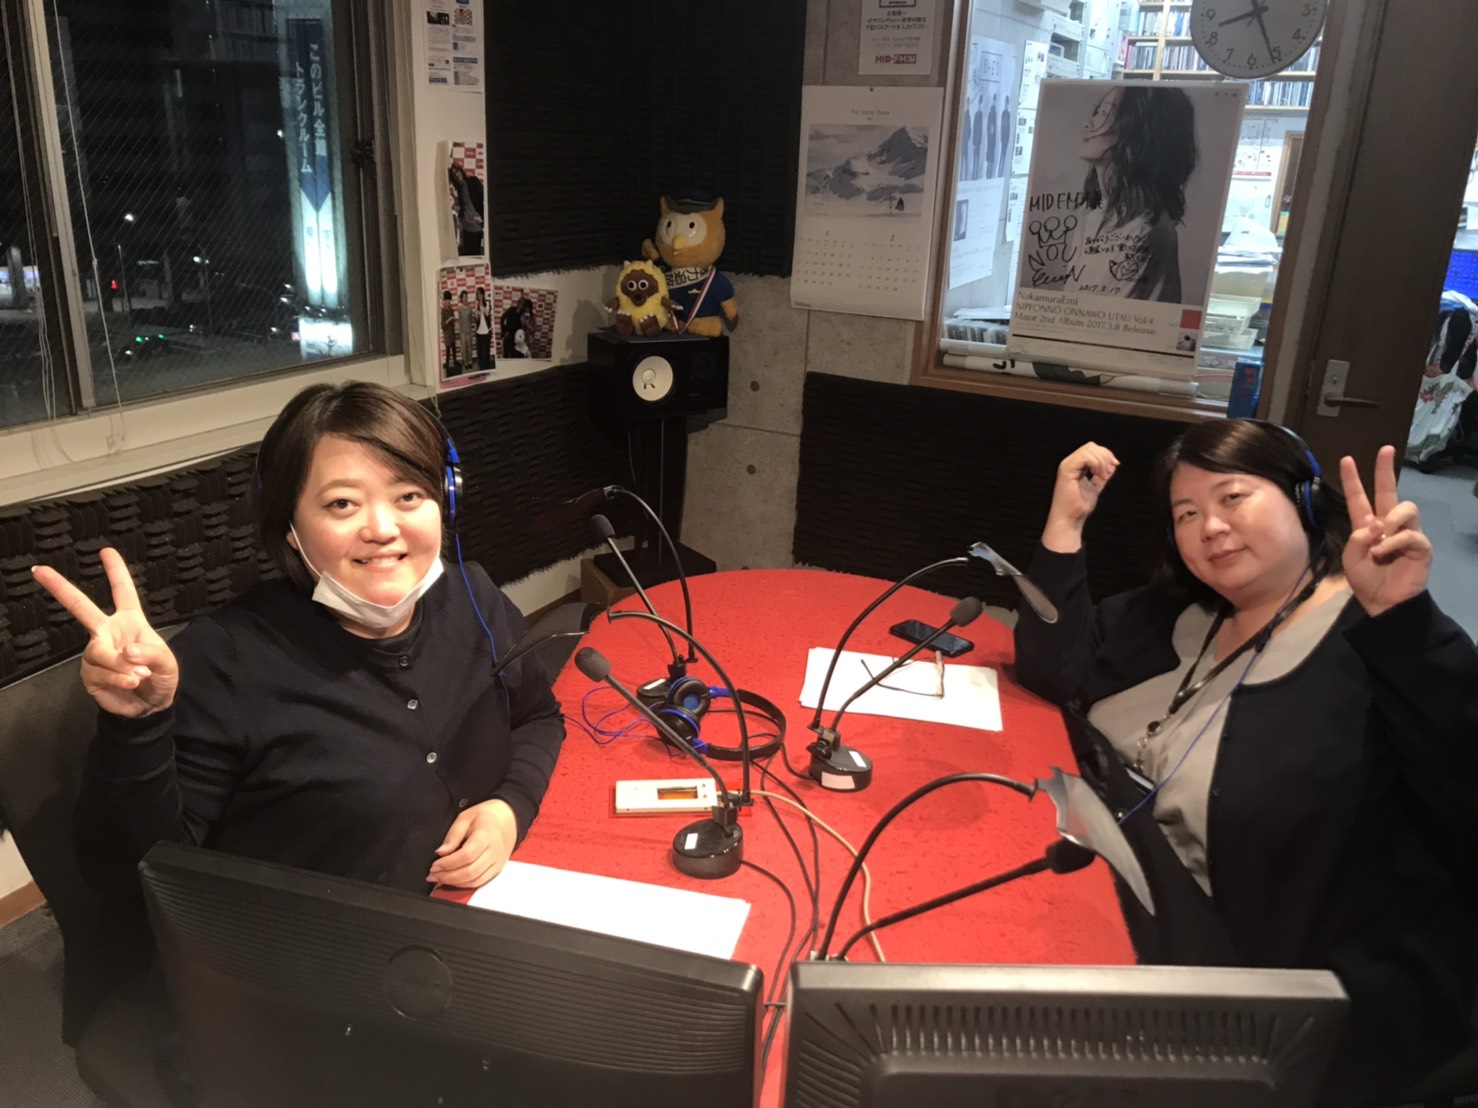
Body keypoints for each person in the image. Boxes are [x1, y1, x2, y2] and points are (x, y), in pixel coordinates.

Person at [1013, 420, 1478, 1106]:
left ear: (1303, 500)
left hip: (1246, 1012)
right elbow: (1051, 670)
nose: (1210, 527)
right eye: (1186, 514)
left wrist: (1406, 623)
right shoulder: (1181, 613)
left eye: (1233, 497)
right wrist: (1066, 523)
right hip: (1103, 900)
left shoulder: (1376, 642)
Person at [33, 381, 566, 900]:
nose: (382, 528)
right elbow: (132, 878)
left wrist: (509, 807)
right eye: (342, 504)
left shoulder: (474, 598)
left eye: (408, 495)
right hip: (311, 947)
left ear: (445, 501)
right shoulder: (226, 660)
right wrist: (137, 727)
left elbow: (539, 717)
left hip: (471, 909)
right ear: (290, 525)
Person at [1067, 85, 1196, 302]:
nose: (1089, 124)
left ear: (1138, 129)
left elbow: (1088, 313)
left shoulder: (1143, 227)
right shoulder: (1093, 216)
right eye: (1097, 112)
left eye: (1105, 113)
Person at [448, 160, 484, 257]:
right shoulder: (459, 189)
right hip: (466, 227)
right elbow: (465, 206)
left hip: (476, 227)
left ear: (461, 170)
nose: (456, 175)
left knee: (475, 256)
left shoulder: (473, 181)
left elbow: (485, 198)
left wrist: (483, 218)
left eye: (457, 172)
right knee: (466, 256)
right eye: (454, 175)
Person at [474, 286, 494, 371]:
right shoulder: (476, 305)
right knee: (479, 352)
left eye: (480, 294)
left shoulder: (488, 303)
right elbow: (476, 319)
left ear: (483, 294)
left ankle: (487, 367)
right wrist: (476, 314)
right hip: (479, 332)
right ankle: (481, 367)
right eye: (477, 294)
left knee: (486, 351)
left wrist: (482, 306)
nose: (478, 296)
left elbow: (487, 314)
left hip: (486, 332)